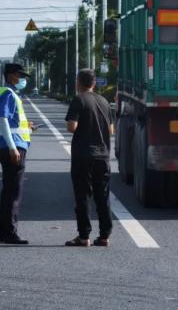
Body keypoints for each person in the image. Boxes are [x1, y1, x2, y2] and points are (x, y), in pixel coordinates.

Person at [64, 69, 114, 247]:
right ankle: (104, 236)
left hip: (83, 156)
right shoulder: (104, 101)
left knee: (83, 196)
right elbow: (110, 130)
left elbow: (72, 126)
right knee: (103, 196)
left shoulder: (79, 100)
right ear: (94, 83)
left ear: (78, 82)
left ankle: (84, 236)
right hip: (103, 156)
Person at [0, 63, 35, 244]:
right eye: (20, 75)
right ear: (10, 76)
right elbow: (3, 120)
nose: (23, 79)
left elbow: (14, 124)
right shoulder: (8, 93)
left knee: (9, 191)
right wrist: (12, 147)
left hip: (13, 145)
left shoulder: (11, 94)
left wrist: (29, 128)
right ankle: (9, 232)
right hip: (12, 148)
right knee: (13, 193)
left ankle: (4, 232)